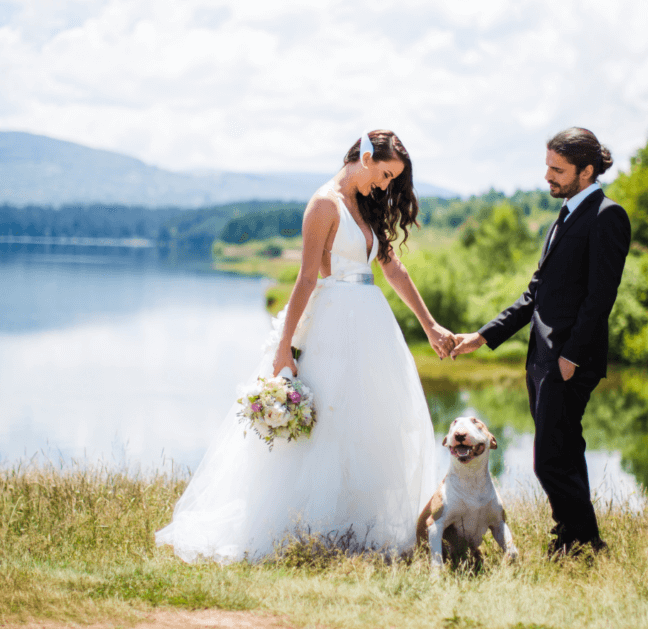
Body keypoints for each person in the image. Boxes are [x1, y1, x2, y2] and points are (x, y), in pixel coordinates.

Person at [156, 129, 454, 563]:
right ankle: (309, 527)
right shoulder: (324, 204)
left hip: (371, 326)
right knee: (329, 421)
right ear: (365, 157)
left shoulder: (365, 204)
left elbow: (392, 268)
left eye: (393, 179)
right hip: (332, 325)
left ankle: (359, 527)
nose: (387, 185)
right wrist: (283, 348)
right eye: (385, 174)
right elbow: (306, 279)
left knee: (367, 422)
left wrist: (429, 325)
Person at [452, 127, 631, 557]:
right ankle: (575, 538)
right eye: (547, 167)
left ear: (586, 171)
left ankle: (581, 539)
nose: (548, 176)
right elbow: (536, 293)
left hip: (569, 360)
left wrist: (571, 356)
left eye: (558, 169)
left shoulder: (608, 215)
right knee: (563, 451)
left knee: (550, 456)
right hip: (542, 358)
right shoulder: (566, 213)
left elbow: (599, 297)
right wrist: (483, 336)